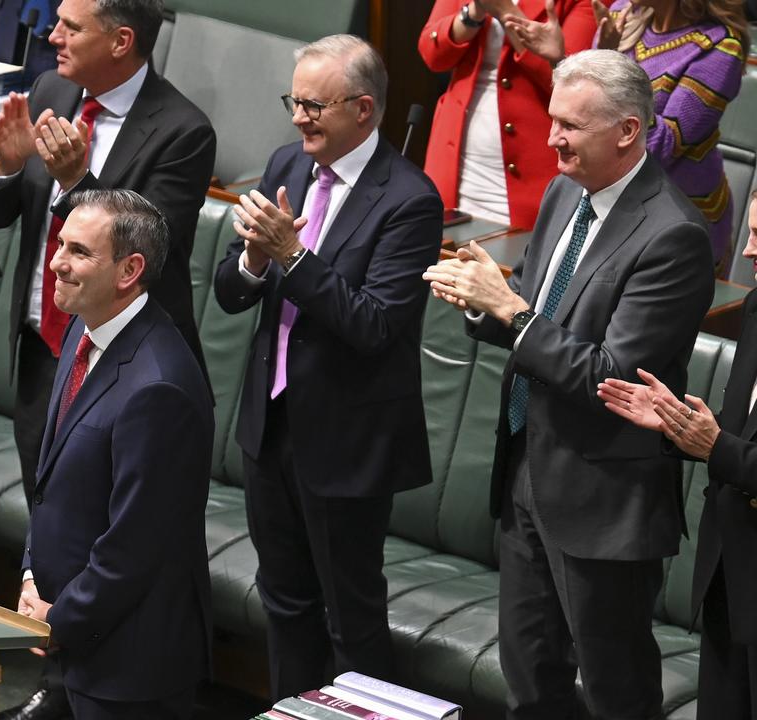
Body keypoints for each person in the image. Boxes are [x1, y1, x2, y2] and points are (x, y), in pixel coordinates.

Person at [423, 49, 714, 719]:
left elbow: (610, 374)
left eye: (570, 126)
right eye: (553, 121)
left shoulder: (673, 237)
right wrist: (480, 299)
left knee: (615, 692)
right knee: (530, 682)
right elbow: (529, 298)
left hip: (604, 498)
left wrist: (511, 311)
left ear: (627, 132)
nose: (551, 138)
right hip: (527, 467)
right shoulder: (564, 193)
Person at [0, 1, 214, 714]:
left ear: (122, 38)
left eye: (70, 25)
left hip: (131, 366)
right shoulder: (48, 93)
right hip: (55, 348)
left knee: (119, 526)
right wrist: (5, 166)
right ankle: (60, 685)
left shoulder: (183, 130)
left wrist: (77, 185)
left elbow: (150, 255)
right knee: (59, 508)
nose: (51, 37)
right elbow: (3, 210)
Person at [214, 35, 444, 699]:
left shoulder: (408, 200)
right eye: (295, 101)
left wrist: (291, 255)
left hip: (347, 442)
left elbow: (373, 325)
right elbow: (232, 291)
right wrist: (255, 260)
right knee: (283, 604)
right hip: (271, 427)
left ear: (364, 110)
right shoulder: (288, 163)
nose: (297, 117)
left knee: (352, 619)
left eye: (314, 105)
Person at [17, 188, 213, 720]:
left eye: (79, 252)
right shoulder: (86, 329)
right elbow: (51, 481)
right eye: (60, 244)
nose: (56, 262)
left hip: (130, 666)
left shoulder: (159, 386)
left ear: (129, 270)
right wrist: (33, 578)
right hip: (75, 639)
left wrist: (59, 620)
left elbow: (134, 548)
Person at [596, 189, 757, 718]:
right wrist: (677, 426)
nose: (748, 251)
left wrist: (717, 447)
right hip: (730, 574)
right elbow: (733, 436)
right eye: (750, 232)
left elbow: (728, 449)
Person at [506, 0, 748, 268]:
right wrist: (560, 60)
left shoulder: (719, 47)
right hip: (607, 200)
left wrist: (611, 58)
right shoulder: (621, 13)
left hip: (677, 218)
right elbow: (591, 109)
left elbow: (658, 146)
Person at [420, 0, 596, 228]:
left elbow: (576, 87)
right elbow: (432, 54)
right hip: (455, 161)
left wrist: (504, 11)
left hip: (533, 171)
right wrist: (473, 13)